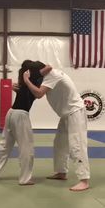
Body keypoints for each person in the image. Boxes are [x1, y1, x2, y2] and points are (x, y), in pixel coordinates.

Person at [23, 61, 90, 191]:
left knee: (77, 145)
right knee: (59, 144)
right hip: (66, 114)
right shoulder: (46, 76)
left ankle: (84, 180)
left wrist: (26, 80)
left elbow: (38, 94)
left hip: (75, 112)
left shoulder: (52, 75)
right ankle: (61, 172)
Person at [0, 61, 51, 185]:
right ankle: (25, 179)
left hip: (11, 113)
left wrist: (25, 79)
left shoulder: (23, 78)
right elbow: (49, 67)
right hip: (21, 115)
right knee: (26, 148)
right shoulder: (31, 77)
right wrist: (29, 77)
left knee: (5, 144)